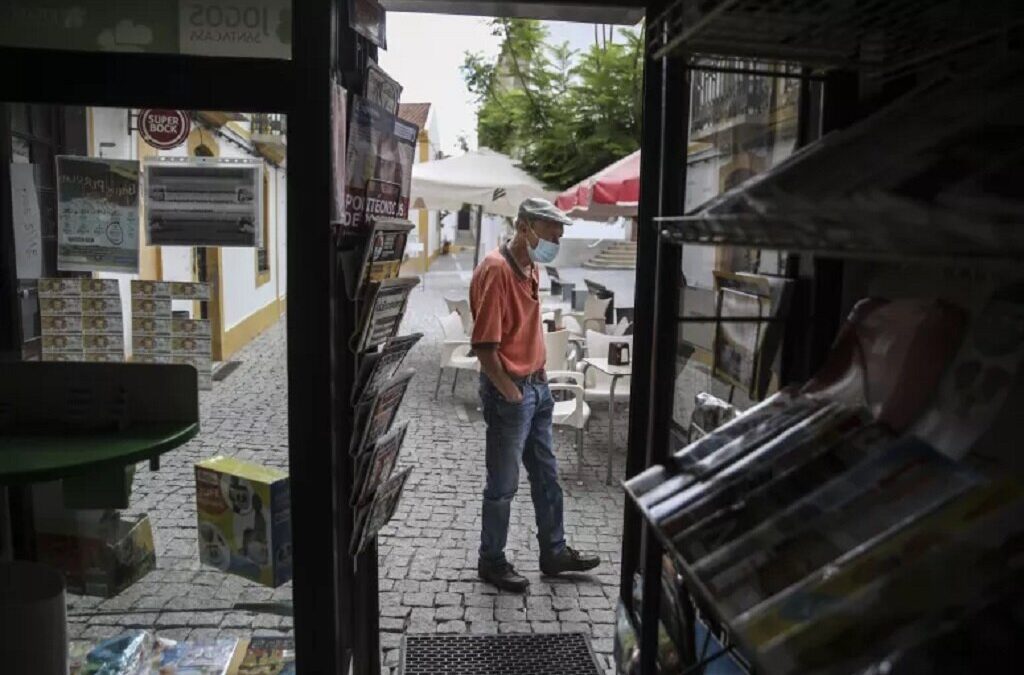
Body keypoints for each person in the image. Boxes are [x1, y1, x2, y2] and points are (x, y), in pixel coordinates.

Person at [469, 197, 600, 592]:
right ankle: (491, 560)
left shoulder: (532, 267)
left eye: (559, 235)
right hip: (513, 393)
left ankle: (553, 552)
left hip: (538, 389)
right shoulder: (496, 270)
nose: (555, 241)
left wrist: (536, 384)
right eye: (551, 233)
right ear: (524, 227)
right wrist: (510, 393)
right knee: (503, 485)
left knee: (547, 477)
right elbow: (484, 347)